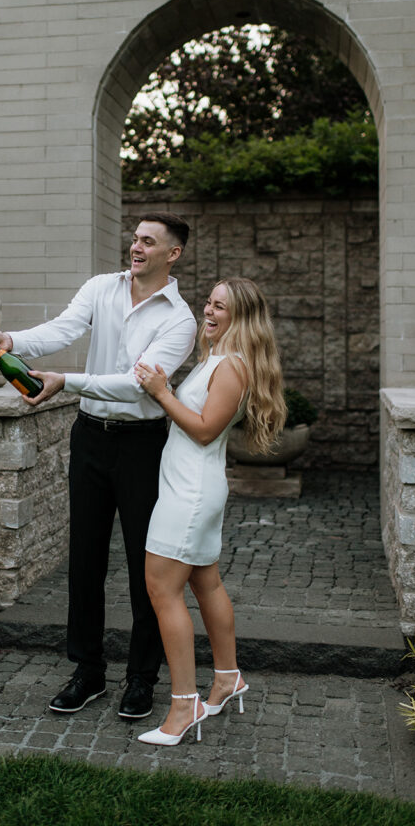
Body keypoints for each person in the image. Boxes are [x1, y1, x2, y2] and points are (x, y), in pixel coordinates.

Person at [0, 214, 197, 719]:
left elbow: (138, 383)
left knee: (150, 567)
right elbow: (62, 328)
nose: (136, 247)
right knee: (85, 560)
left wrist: (67, 381)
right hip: (90, 438)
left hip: (143, 447)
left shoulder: (180, 320)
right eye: (135, 238)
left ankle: (141, 678)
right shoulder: (102, 287)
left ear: (173, 254)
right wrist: (11, 340)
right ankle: (88, 672)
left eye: (148, 242)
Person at [132, 277, 286, 746]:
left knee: (161, 588)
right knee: (205, 581)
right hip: (189, 486)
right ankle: (226, 678)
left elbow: (203, 430)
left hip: (191, 493)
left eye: (221, 307)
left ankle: (184, 705)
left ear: (243, 318)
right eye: (209, 303)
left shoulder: (232, 367)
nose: (209, 312)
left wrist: (162, 392)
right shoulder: (216, 359)